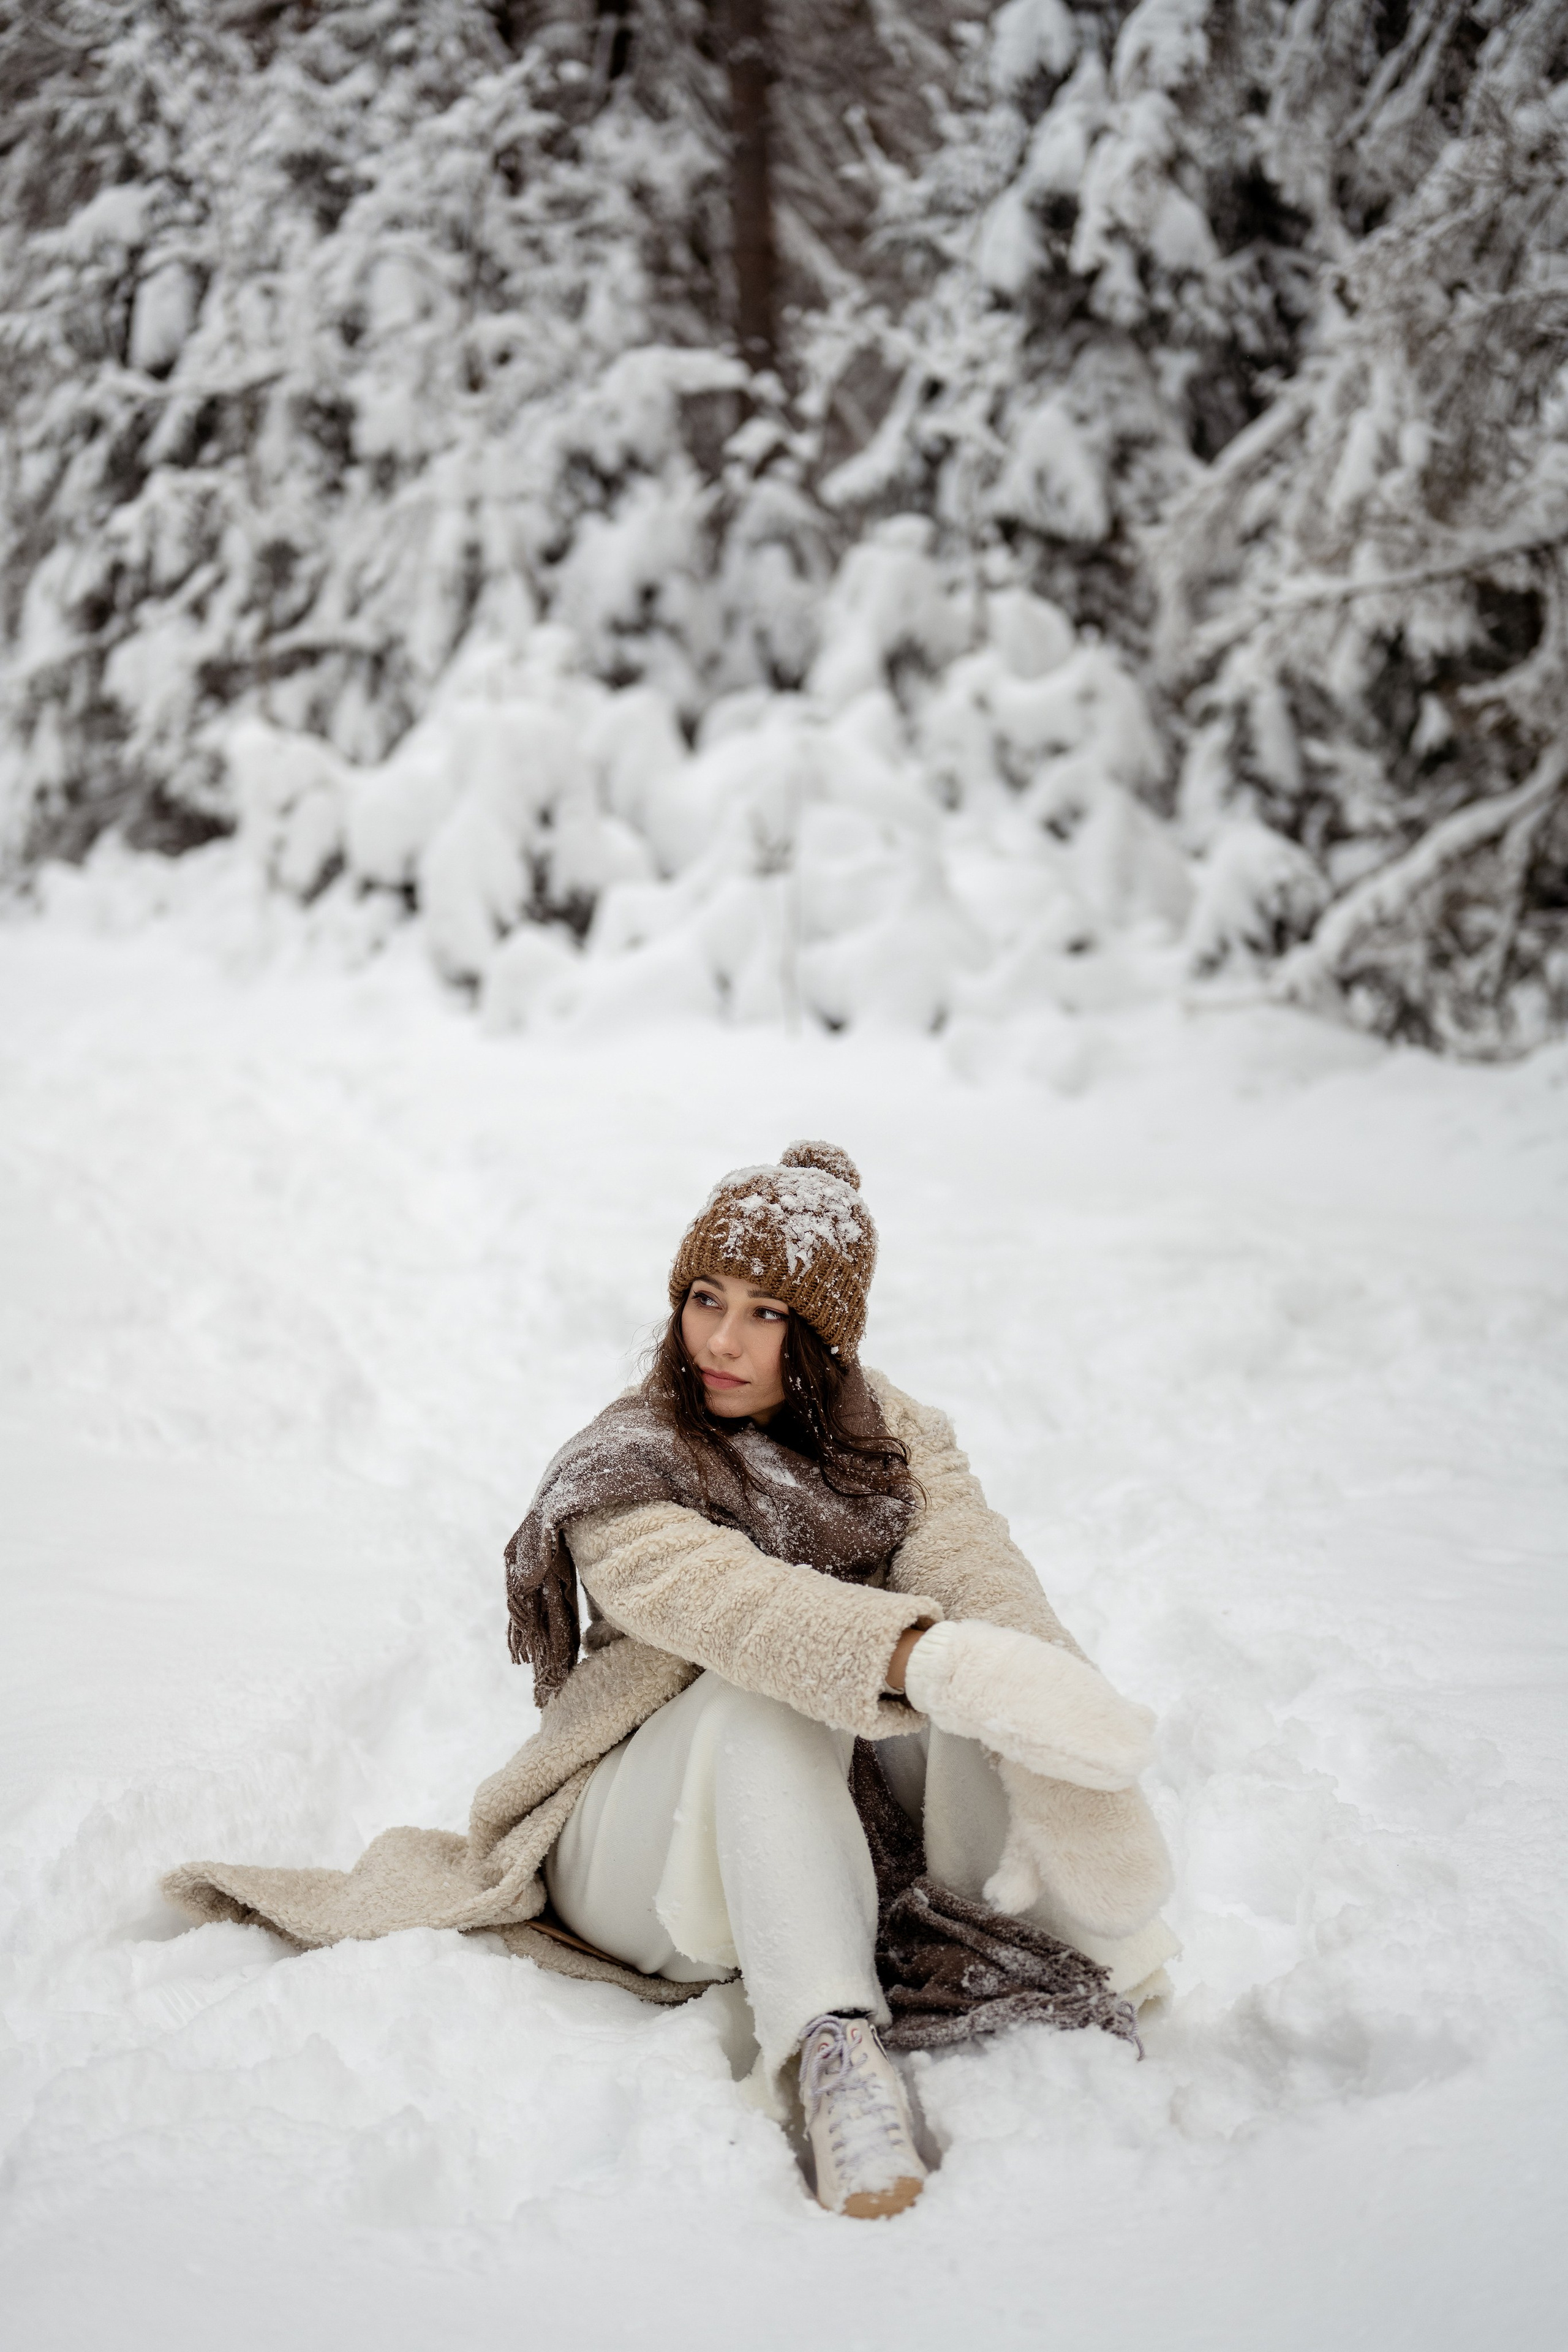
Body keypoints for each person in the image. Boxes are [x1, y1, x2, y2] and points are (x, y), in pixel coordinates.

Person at [503, 1140, 1176, 2218]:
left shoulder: (892, 1438)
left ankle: (1045, 1941)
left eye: (766, 1314)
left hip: (800, 1825)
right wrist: (940, 1662)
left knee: (988, 1659)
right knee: (768, 1688)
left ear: (822, 1338)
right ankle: (832, 2046)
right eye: (705, 1300)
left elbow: (979, 1575)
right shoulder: (624, 1466)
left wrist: (1053, 1717)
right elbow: (747, 1612)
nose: (721, 1341)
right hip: (636, 1847)